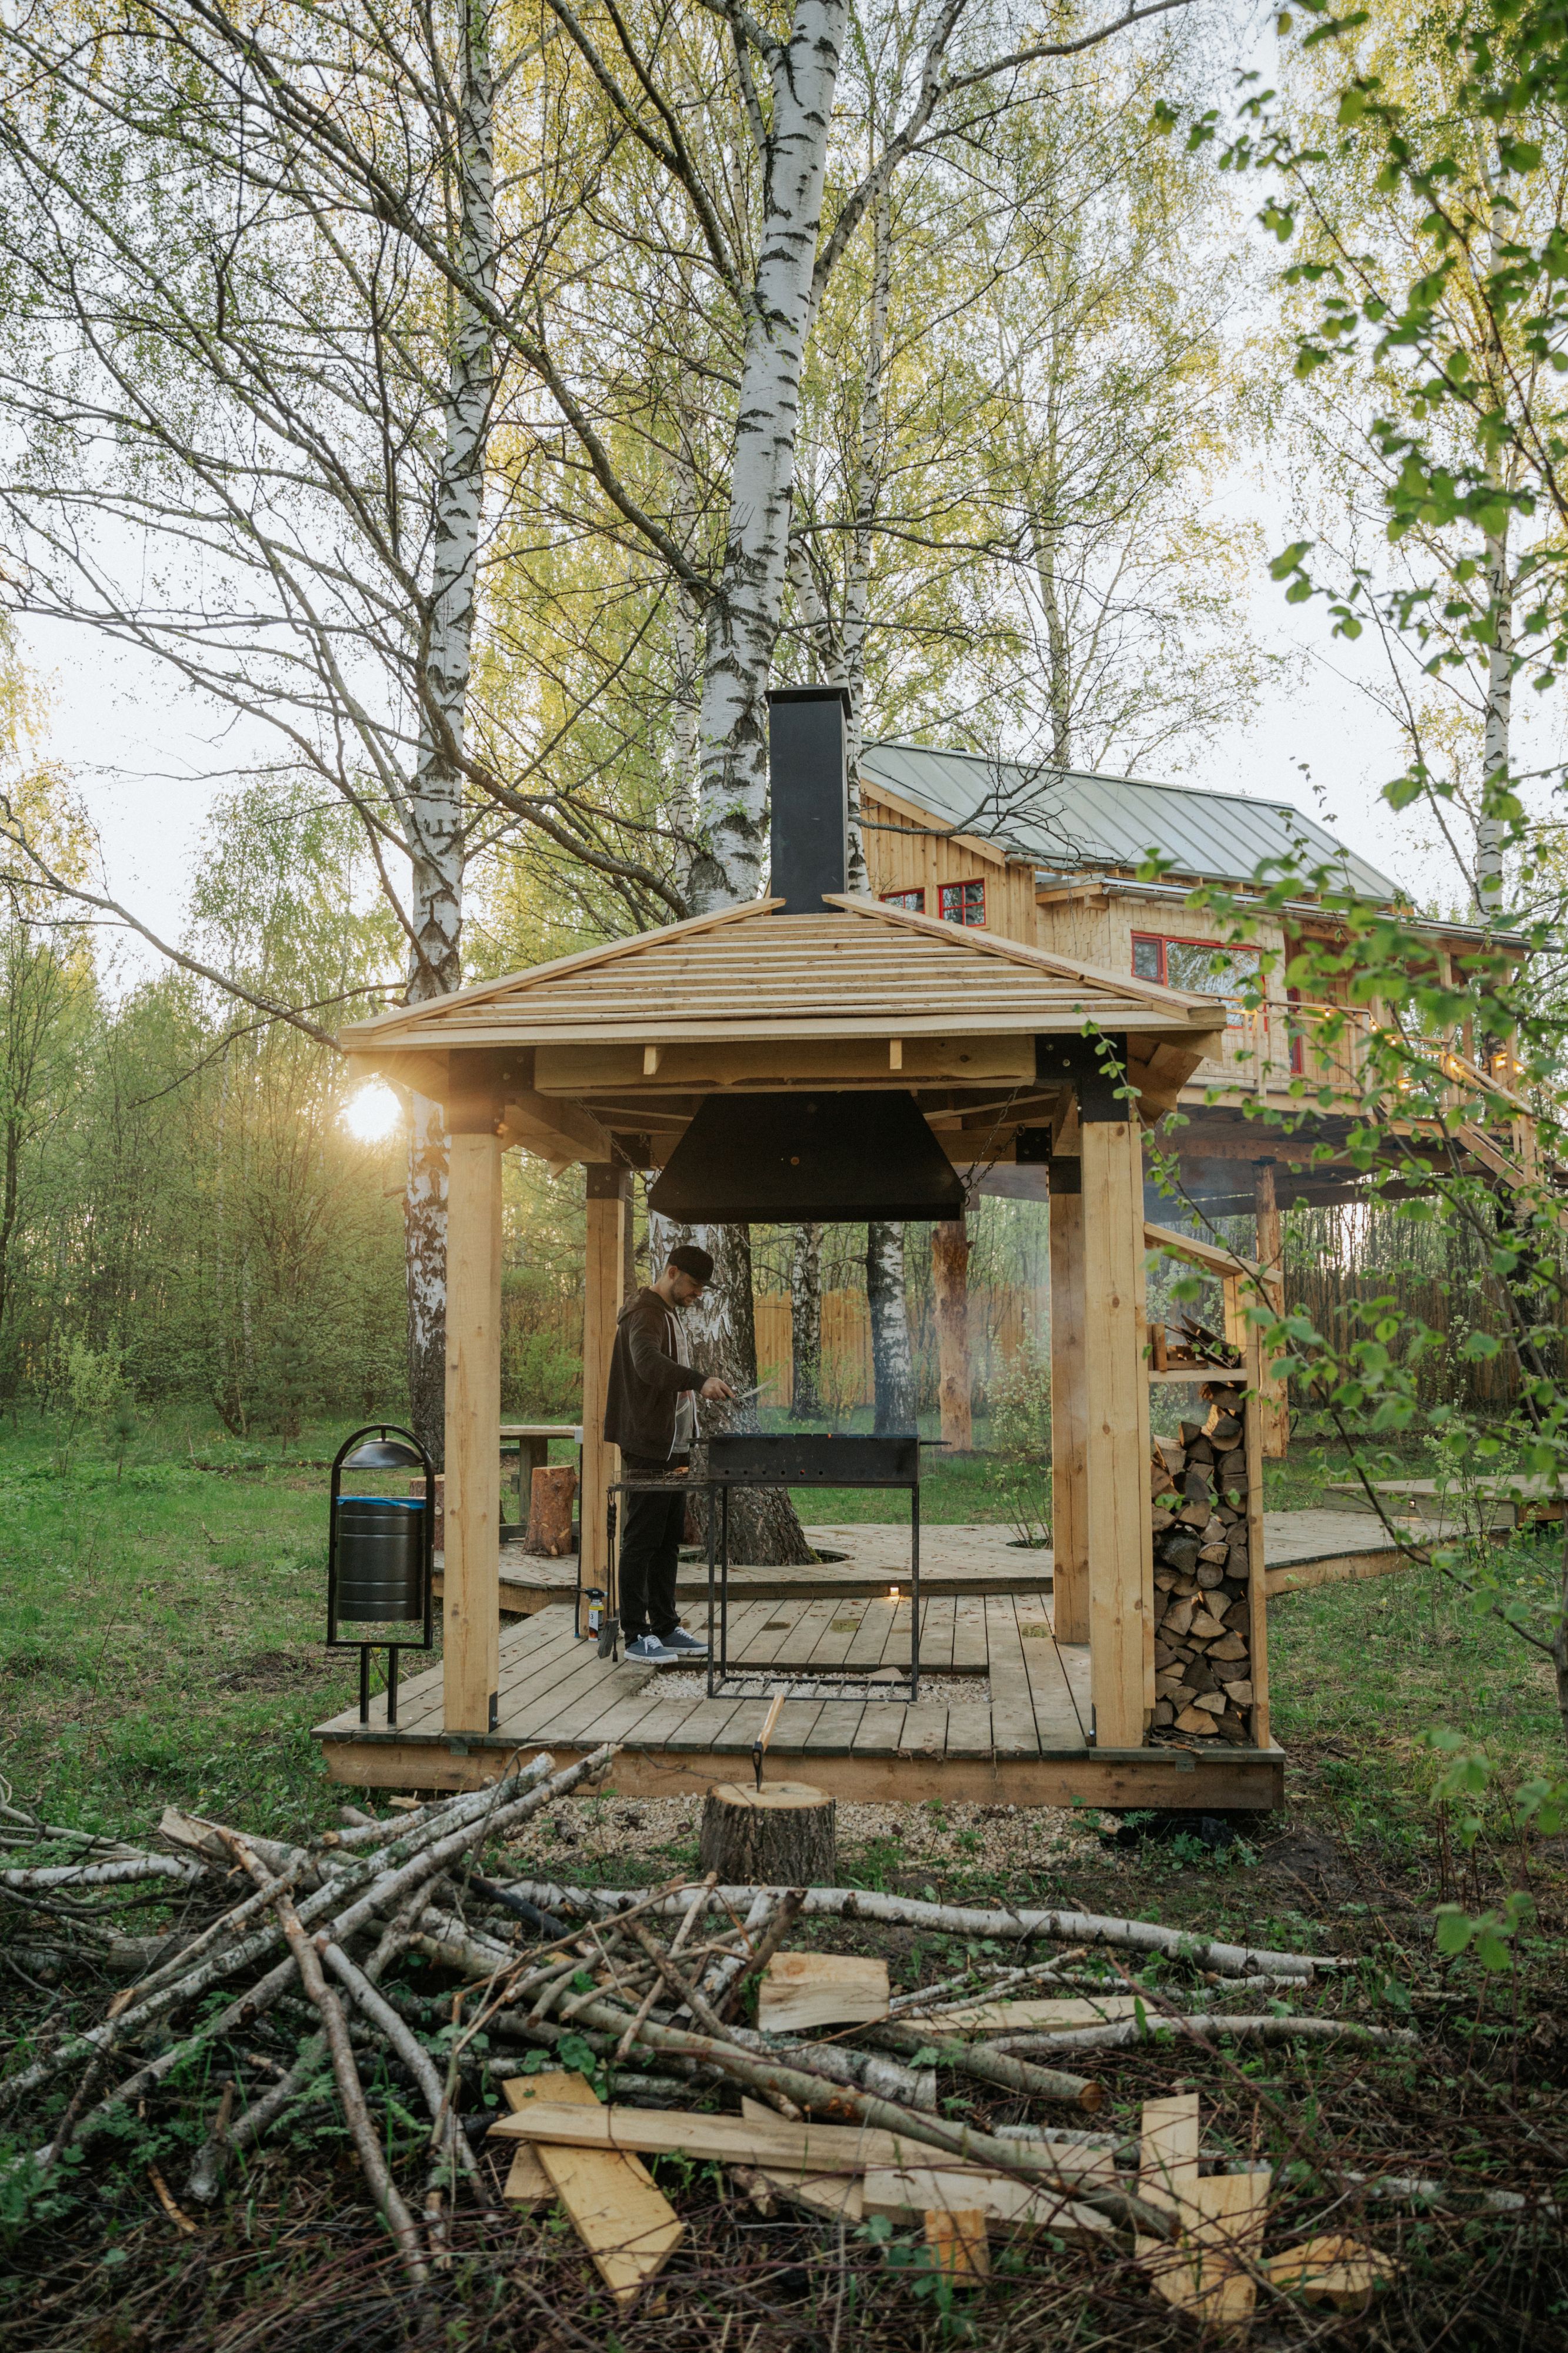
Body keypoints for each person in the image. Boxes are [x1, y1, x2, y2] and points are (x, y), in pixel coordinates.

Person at [603, 1243, 735, 1663]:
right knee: (641, 1540)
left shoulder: (668, 1314)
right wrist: (699, 1381)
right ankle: (636, 1635)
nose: (697, 1295)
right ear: (672, 1271)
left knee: (666, 1540)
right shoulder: (644, 1313)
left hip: (674, 1446)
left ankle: (665, 1626)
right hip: (647, 1445)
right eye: (693, 1286)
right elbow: (647, 1365)